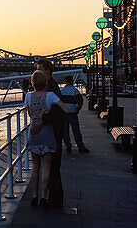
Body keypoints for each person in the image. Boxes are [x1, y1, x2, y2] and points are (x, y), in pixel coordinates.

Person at [25, 70, 71, 209]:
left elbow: (29, 113)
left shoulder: (27, 96)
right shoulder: (50, 95)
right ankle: (44, 197)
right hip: (47, 133)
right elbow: (66, 110)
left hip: (33, 133)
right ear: (45, 82)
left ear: (32, 83)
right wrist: (49, 114)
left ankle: (34, 196)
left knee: (35, 167)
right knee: (46, 167)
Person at [34, 59, 65, 207]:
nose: (38, 72)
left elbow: (57, 111)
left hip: (53, 132)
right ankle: (53, 197)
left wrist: (41, 119)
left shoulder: (51, 88)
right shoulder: (50, 85)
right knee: (51, 167)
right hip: (52, 131)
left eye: (40, 69)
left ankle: (56, 200)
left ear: (48, 71)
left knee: (53, 167)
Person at [58, 76, 89, 153]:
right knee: (76, 131)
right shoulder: (75, 91)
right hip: (73, 113)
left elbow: (59, 103)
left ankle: (68, 146)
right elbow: (80, 102)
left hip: (63, 113)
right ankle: (80, 146)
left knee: (65, 131)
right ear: (72, 81)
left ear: (65, 81)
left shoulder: (61, 91)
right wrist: (77, 109)